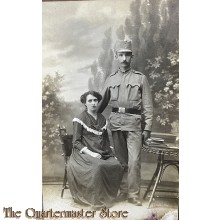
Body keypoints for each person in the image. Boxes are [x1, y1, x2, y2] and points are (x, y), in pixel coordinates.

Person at [97, 40, 153, 206]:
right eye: (120, 54)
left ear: (132, 57)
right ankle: (123, 191)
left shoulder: (140, 78)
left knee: (134, 161)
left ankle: (133, 194)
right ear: (116, 56)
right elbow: (101, 104)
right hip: (116, 124)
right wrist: (89, 118)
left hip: (134, 124)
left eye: (127, 55)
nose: (123, 58)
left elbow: (148, 106)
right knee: (121, 161)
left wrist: (147, 128)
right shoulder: (110, 79)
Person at [67, 91, 123, 210]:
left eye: (95, 100)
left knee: (116, 164)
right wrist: (91, 153)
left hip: (101, 152)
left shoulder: (102, 118)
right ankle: (95, 198)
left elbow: (106, 140)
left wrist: (112, 154)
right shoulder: (79, 119)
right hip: (82, 154)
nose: (93, 103)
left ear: (98, 102)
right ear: (85, 103)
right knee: (98, 167)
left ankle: (107, 196)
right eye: (90, 101)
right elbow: (76, 142)